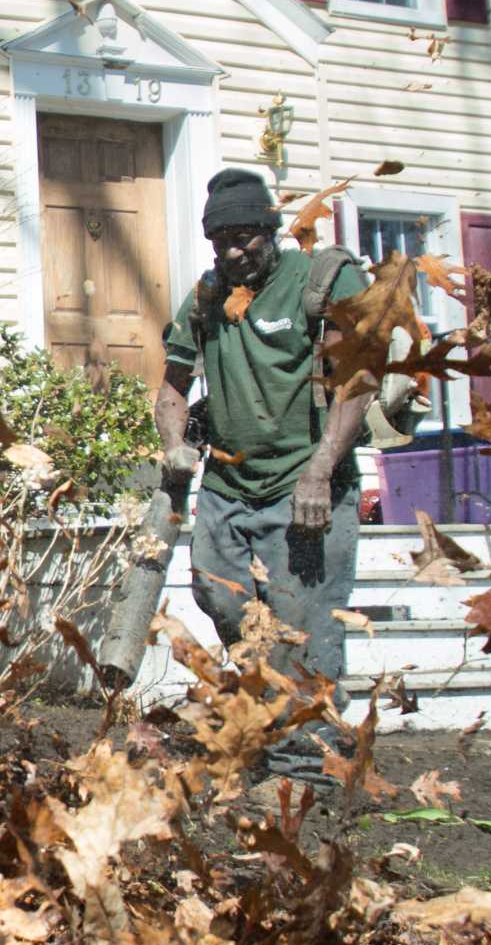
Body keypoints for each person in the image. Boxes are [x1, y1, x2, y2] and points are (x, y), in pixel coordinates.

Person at [154, 168, 374, 778]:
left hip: (305, 487)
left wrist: (320, 470)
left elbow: (356, 378)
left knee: (304, 625)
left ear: (271, 229)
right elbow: (171, 390)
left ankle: (310, 774)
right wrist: (175, 444)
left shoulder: (323, 278)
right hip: (228, 487)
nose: (232, 251)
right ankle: (272, 730)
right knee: (218, 597)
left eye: (245, 236)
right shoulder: (207, 296)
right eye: (220, 239)